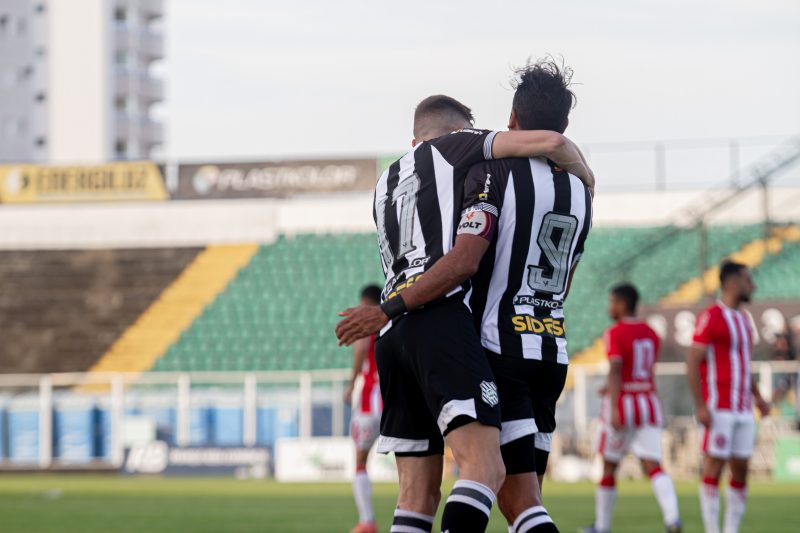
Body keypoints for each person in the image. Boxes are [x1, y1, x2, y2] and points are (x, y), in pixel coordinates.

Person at [337, 58, 594, 533]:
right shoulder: (569, 191)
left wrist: (386, 310)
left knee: (418, 494)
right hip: (514, 338)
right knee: (497, 478)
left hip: (400, 336)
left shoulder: (384, 185)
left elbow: (454, 251)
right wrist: (588, 178)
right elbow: (554, 150)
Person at [582, 283, 681, 533]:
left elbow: (617, 370)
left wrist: (614, 405)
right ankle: (672, 518)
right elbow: (642, 370)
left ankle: (602, 526)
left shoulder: (615, 332)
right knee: (654, 465)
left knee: (609, 466)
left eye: (612, 301)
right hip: (648, 402)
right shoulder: (651, 332)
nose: (610, 307)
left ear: (623, 304)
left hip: (624, 405)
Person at [687, 261, 770, 533]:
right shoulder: (711, 316)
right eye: (749, 280)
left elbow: (744, 365)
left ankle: (731, 529)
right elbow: (692, 361)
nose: (753, 285)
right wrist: (700, 406)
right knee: (714, 466)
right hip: (718, 407)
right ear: (732, 283)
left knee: (742, 468)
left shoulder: (744, 320)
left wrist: (758, 398)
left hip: (744, 408)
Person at [343, 285, 383, 533]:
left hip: (369, 401)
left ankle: (367, 521)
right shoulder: (395, 319)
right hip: (394, 399)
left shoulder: (366, 323)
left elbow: (360, 350)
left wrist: (351, 385)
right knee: (409, 462)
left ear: (365, 303)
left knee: (360, 461)